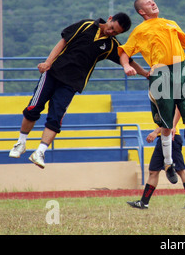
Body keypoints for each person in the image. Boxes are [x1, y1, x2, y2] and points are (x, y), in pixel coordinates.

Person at [9, 13, 148, 168]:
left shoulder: (111, 45)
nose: (111, 32)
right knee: (34, 107)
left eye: (115, 33)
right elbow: (62, 42)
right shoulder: (86, 25)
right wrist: (48, 62)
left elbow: (128, 60)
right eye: (111, 28)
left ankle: (40, 152)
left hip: (72, 83)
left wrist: (146, 74)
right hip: (53, 73)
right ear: (109, 19)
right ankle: (21, 143)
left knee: (56, 117)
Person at [118, 0, 185, 184]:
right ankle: (168, 164)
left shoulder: (171, 24)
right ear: (142, 11)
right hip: (160, 75)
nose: (153, 3)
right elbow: (125, 52)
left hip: (181, 70)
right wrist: (127, 66)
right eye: (148, 3)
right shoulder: (140, 30)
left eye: (153, 0)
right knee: (166, 126)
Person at [127, 122, 185, 210]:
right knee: (153, 171)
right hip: (163, 139)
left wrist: (155, 132)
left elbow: (169, 121)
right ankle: (144, 202)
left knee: (180, 170)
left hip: (171, 138)